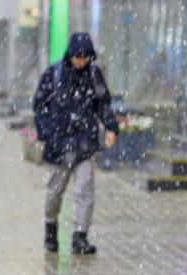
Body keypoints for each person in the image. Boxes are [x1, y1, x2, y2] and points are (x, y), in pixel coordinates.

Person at [33, 32, 118, 255]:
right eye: (78, 56)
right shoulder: (54, 74)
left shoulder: (94, 75)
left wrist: (111, 127)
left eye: (86, 57)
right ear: (70, 55)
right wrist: (46, 132)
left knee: (84, 190)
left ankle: (80, 236)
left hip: (85, 142)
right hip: (60, 144)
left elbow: (103, 104)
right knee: (55, 191)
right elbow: (39, 104)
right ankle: (50, 231)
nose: (81, 60)